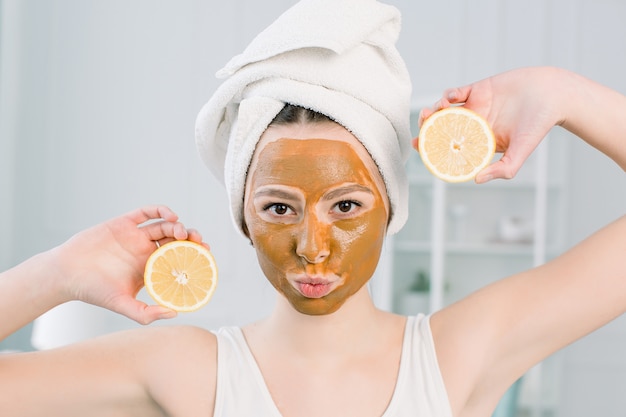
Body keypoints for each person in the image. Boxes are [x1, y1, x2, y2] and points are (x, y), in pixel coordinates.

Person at [2, 1, 626, 417]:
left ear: (391, 207)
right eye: (278, 209)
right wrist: (55, 274)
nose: (312, 246)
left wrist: (561, 92)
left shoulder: (456, 354)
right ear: (242, 217)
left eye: (347, 204)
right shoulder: (184, 370)